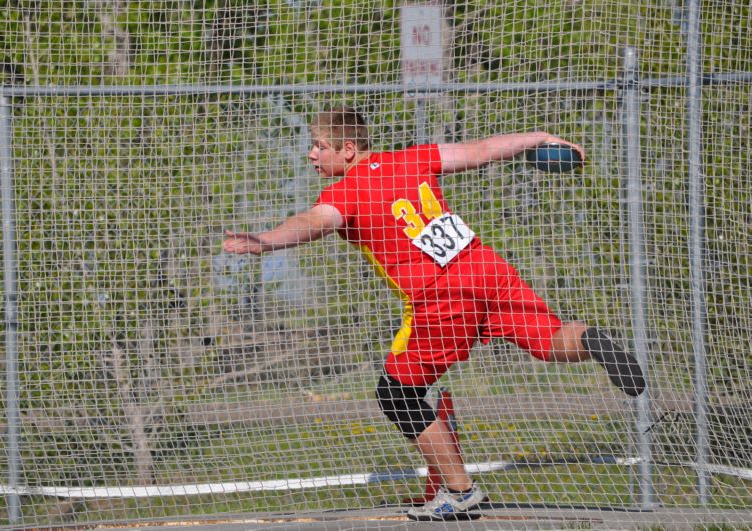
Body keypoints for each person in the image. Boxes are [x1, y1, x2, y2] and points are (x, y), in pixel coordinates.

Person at [223, 106, 646, 521]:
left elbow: (311, 222)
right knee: (549, 340)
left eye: (319, 146)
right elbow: (482, 150)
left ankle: (461, 491)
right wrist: (538, 138)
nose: (312, 155)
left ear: (349, 148)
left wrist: (266, 240)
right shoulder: (414, 157)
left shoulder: (344, 194)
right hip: (486, 268)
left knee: (396, 394)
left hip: (441, 299)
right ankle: (590, 340)